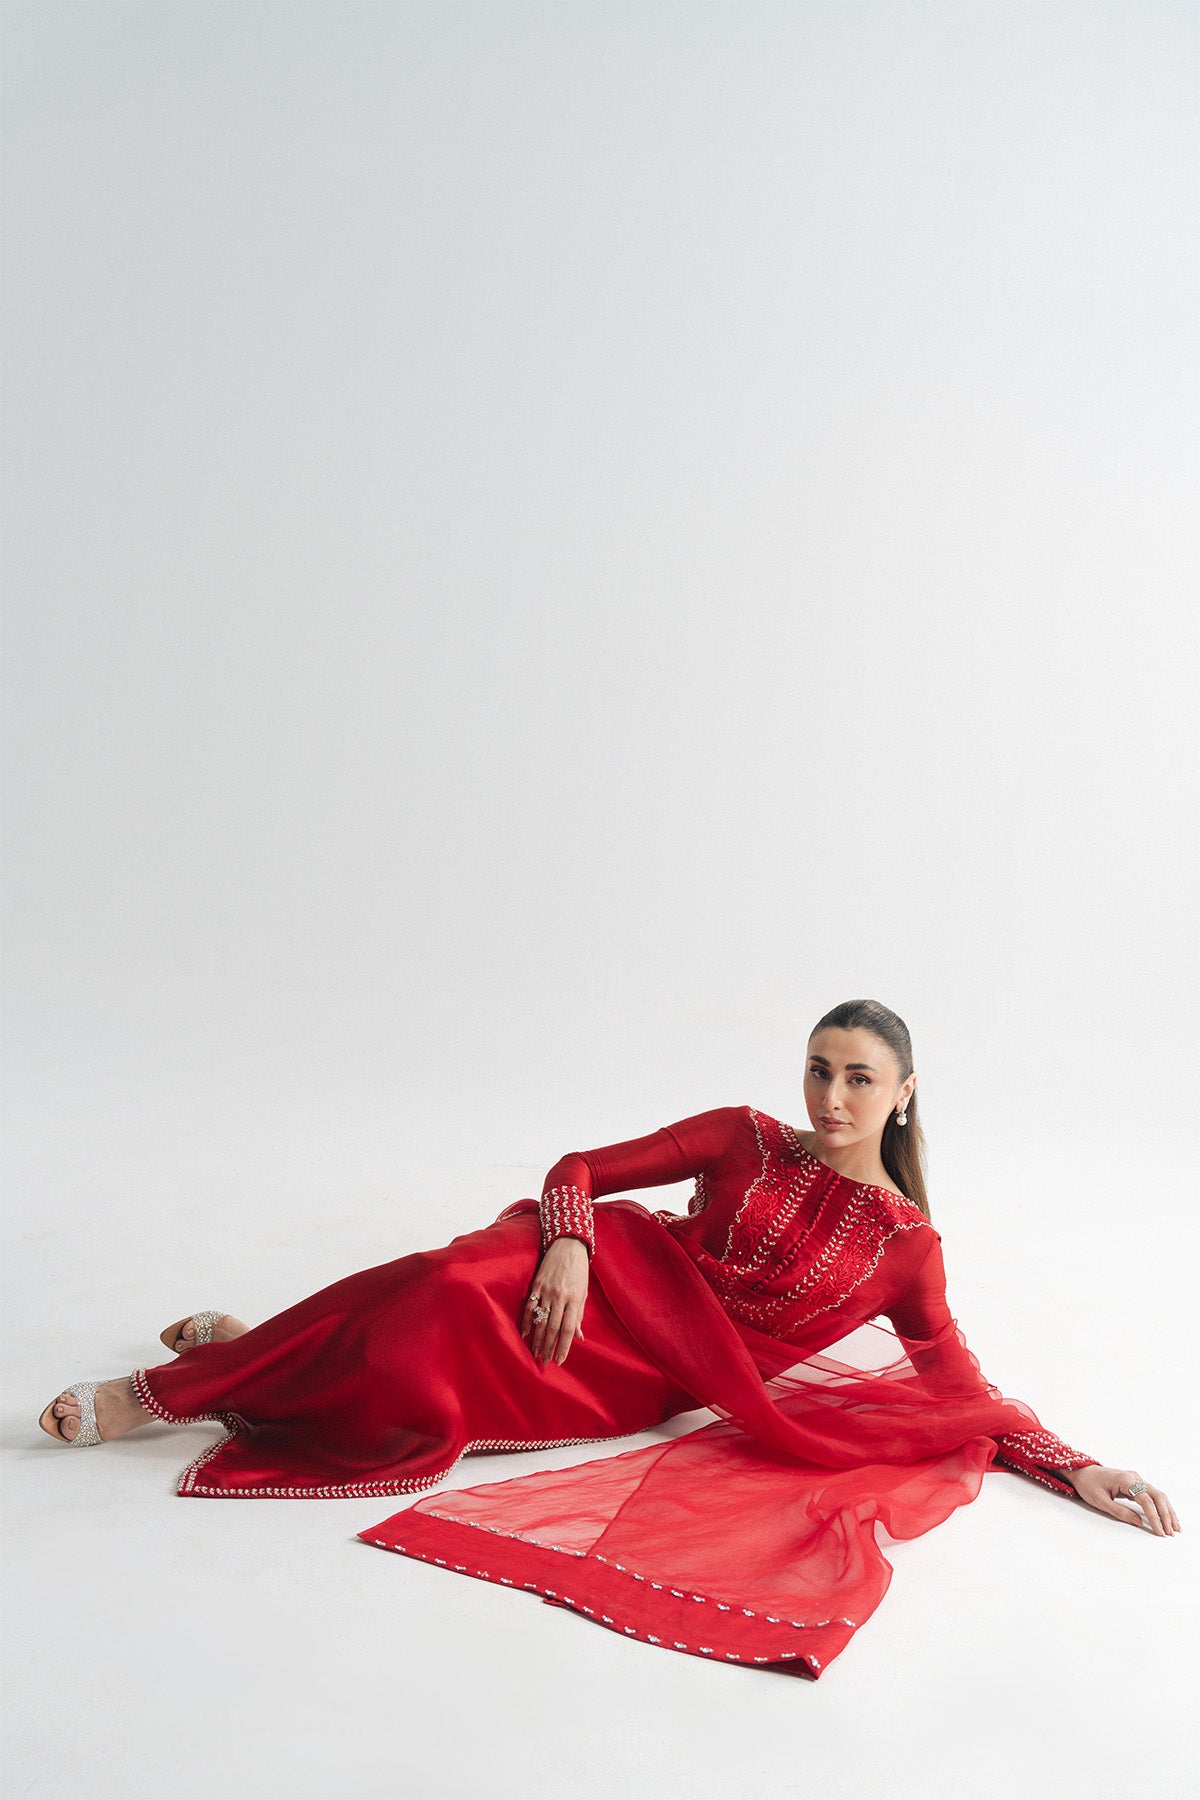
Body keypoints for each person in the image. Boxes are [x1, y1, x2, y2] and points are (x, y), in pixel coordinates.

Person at [38, 999, 1179, 1675]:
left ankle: (247, 1354)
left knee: (411, 1360)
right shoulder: (742, 1135)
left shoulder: (907, 1251)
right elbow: (579, 1169)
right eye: (818, 1070)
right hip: (590, 1272)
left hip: (638, 1374)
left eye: (858, 1079)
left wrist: (1075, 1465)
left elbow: (959, 1383)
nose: (830, 1098)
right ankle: (170, 1392)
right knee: (444, 1279)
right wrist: (571, 1245)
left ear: (905, 1092)